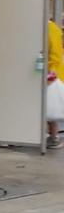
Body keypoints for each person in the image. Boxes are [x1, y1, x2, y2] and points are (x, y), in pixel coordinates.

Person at [47, 18, 63, 149]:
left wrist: (52, 71)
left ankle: (54, 137)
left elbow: (56, 53)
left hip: (50, 73)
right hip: (37, 71)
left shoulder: (51, 27)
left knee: (51, 106)